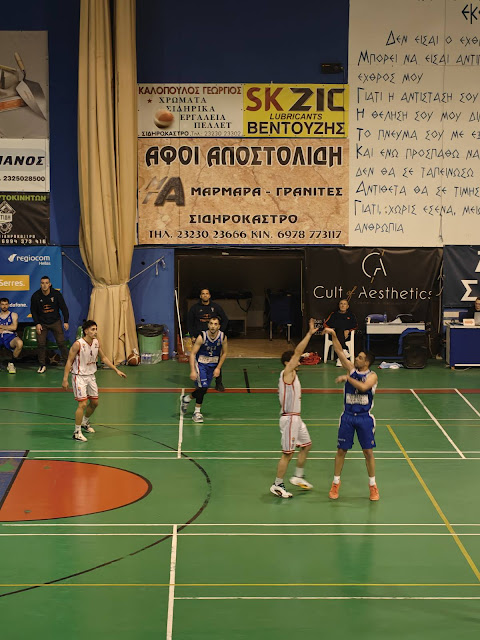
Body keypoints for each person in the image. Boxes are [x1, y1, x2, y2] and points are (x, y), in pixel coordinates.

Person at [323, 327, 379, 501]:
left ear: (367, 362)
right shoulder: (351, 369)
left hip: (364, 418)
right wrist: (334, 334)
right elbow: (339, 350)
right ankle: (335, 483)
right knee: (341, 450)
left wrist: (347, 378)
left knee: (368, 452)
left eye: (360, 357)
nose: (356, 359)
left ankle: (373, 486)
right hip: (347, 416)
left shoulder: (372, 376)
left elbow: (363, 387)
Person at [270, 318, 318, 499]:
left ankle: (298, 476)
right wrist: (309, 333)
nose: (299, 361)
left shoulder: (294, 375)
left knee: (306, 445)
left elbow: (298, 355)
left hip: (297, 418)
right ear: (287, 363)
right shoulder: (287, 373)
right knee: (287, 454)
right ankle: (277, 484)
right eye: (295, 360)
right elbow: (298, 352)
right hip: (289, 418)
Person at [61, 319, 126, 441]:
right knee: (82, 404)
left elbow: (104, 358)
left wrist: (116, 370)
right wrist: (65, 379)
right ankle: (77, 432)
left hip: (91, 376)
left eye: (96, 329)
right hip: (79, 376)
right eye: (93, 329)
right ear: (86, 331)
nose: (95, 331)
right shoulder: (78, 344)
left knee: (95, 403)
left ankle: (85, 422)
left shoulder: (96, 342)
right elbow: (69, 361)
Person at [180, 316, 227, 423]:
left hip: (212, 365)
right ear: (208, 325)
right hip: (201, 364)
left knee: (203, 389)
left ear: (219, 326)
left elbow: (224, 353)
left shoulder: (223, 337)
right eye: (211, 323)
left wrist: (218, 368)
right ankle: (197, 412)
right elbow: (193, 354)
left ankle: (187, 399)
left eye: (215, 324)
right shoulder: (202, 336)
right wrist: (193, 370)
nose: (213, 326)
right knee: (203, 387)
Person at [187, 288, 228, 392]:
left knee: (216, 358)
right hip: (200, 338)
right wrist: (192, 336)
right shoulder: (194, 308)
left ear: (209, 296)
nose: (205, 295)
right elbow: (189, 322)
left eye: (207, 294)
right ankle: (198, 378)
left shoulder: (216, 307)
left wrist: (220, 333)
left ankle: (218, 383)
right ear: (200, 296)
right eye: (203, 294)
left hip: (214, 337)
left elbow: (225, 319)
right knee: (199, 358)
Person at [30, 275, 70, 374]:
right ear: (40, 284)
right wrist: (37, 323)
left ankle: (68, 364)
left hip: (55, 321)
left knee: (61, 342)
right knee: (41, 344)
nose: (44, 285)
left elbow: (64, 308)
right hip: (42, 323)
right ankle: (42, 365)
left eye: (46, 283)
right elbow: (33, 311)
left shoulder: (56, 294)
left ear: (50, 284)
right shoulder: (36, 296)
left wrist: (66, 321)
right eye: (42, 283)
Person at [324, 298, 357, 366]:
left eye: (344, 304)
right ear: (339, 305)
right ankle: (344, 351)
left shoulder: (351, 315)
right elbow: (326, 324)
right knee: (339, 329)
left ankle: (340, 359)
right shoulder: (334, 314)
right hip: (334, 335)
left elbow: (355, 325)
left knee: (341, 330)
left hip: (347, 336)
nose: (342, 305)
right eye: (341, 304)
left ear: (347, 306)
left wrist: (348, 330)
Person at [0, 297, 23, 374]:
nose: (4, 306)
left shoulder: (13, 315)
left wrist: (1, 326)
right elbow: (11, 327)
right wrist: (9, 327)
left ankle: (11, 363)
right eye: (2, 304)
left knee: (20, 343)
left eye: (6, 304)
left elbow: (14, 327)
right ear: (0, 305)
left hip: (10, 336)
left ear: (8, 305)